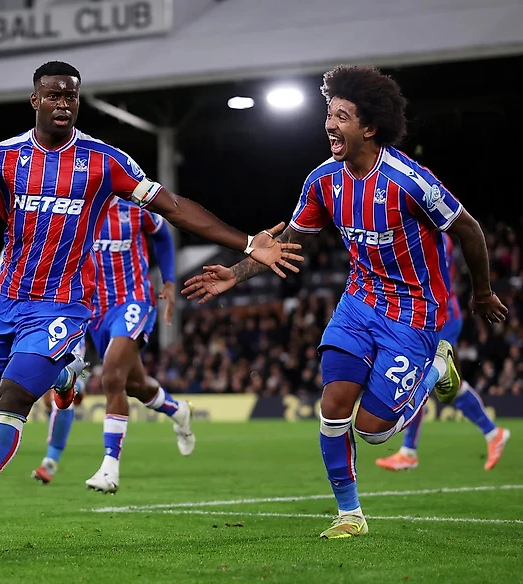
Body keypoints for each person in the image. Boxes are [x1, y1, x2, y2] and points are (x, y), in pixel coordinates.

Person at [0, 61, 303, 543]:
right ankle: (66, 376)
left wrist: (246, 243)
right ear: (35, 100)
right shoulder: (2, 158)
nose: (63, 103)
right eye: (53, 95)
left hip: (62, 305)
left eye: (71, 95)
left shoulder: (105, 162)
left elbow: (172, 208)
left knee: (12, 403)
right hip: (5, 302)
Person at [182, 64, 507, 539]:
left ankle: (439, 367)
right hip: (358, 304)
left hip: (412, 314)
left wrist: (482, 293)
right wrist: (236, 272)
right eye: (329, 114)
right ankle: (349, 514)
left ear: (369, 127)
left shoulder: (409, 181)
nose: (330, 125)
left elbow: (470, 230)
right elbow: (290, 242)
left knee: (374, 430)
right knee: (333, 409)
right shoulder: (322, 181)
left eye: (342, 117)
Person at [33, 198, 195, 492]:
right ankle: (177, 410)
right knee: (135, 385)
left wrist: (169, 280)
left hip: (133, 301)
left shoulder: (135, 206)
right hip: (92, 311)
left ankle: (109, 468)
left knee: (111, 376)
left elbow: (162, 233)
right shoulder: (76, 208)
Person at [375, 233, 510, 472]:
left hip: (439, 315)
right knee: (446, 382)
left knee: (420, 378)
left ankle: (409, 452)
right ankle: (492, 433)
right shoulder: (435, 235)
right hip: (438, 313)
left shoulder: (429, 236)